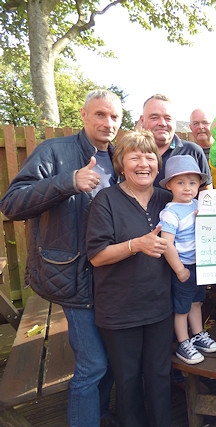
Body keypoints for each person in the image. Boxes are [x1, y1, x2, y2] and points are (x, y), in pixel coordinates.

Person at [0, 89, 122, 427]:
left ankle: (97, 416)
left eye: (114, 117)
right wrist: (67, 181)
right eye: (100, 114)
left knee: (111, 360)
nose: (107, 123)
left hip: (111, 279)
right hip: (72, 278)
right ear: (83, 115)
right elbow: (11, 203)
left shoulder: (120, 159)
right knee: (93, 364)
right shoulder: (54, 152)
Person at [86, 130, 174, 427]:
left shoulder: (168, 199)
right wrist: (135, 245)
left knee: (160, 376)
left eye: (149, 156)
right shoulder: (106, 201)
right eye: (134, 157)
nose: (143, 163)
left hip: (160, 307)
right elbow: (97, 256)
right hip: (120, 310)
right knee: (127, 380)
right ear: (120, 164)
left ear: (158, 164)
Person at [158, 155, 216, 364]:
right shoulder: (170, 213)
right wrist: (178, 269)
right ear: (169, 185)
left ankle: (197, 335)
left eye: (193, 183)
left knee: (196, 302)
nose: (187, 187)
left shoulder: (198, 204)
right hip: (183, 266)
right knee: (182, 307)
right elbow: (167, 243)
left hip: (198, 265)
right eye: (180, 182)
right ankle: (183, 342)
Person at [138, 94, 213, 189]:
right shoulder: (131, 153)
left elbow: (206, 194)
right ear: (142, 120)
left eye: (167, 118)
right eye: (154, 118)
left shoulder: (192, 152)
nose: (162, 123)